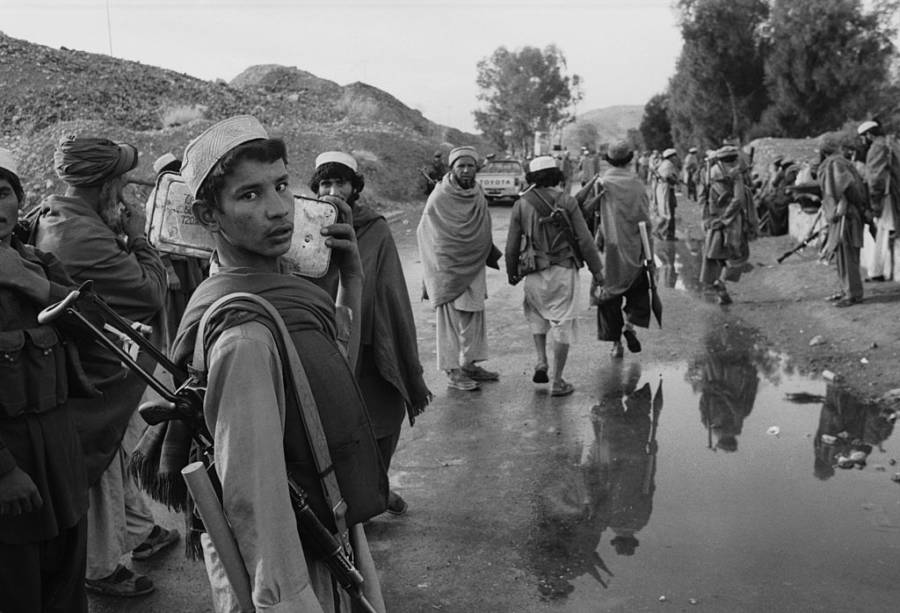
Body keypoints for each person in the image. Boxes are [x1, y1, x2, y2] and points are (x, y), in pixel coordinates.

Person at [177, 115, 386, 612]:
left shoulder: (281, 291)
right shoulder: (246, 334)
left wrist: (351, 281)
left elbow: (329, 400)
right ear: (209, 217)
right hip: (291, 562)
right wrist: (291, 601)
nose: (278, 210)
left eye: (280, 186)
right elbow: (257, 501)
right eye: (249, 195)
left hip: (322, 529)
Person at [33, 135, 178, 597]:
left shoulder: (67, 215)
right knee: (99, 468)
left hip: (108, 372)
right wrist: (138, 235)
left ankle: (139, 531)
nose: (126, 195)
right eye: (121, 184)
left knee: (119, 454)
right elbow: (150, 293)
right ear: (102, 185)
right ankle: (98, 568)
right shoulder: (78, 236)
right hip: (95, 382)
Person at [309, 150, 431, 516]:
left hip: (370, 342)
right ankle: (344, 498)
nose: (333, 190)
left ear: (354, 187)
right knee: (331, 425)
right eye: (325, 183)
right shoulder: (303, 226)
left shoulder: (374, 227)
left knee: (381, 419)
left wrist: (386, 338)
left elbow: (391, 288)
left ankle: (377, 489)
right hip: (324, 341)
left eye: (340, 182)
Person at [0, 149, 90, 612]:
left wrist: (28, 282)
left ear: (18, 199)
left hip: (62, 467)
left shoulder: (41, 264)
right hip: (10, 479)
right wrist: (4, 471)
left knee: (68, 592)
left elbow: (95, 331)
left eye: (2, 192)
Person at [505, 155, 603, 396]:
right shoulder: (567, 201)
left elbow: (511, 246)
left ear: (532, 178)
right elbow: (585, 240)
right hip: (563, 271)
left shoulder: (521, 204)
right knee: (561, 324)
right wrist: (598, 271)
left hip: (534, 271)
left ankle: (541, 360)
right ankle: (558, 381)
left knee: (537, 316)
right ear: (556, 175)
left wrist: (512, 273)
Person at [417, 145, 500, 391]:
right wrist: (437, 264)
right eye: (460, 166)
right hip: (447, 267)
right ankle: (452, 370)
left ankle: (469, 363)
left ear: (476, 169)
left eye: (470, 166)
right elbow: (426, 231)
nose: (465, 170)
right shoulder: (440, 196)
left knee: (474, 314)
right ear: (452, 169)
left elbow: (483, 224)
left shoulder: (477, 192)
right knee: (449, 320)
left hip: (474, 263)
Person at [576, 141, 652, 359]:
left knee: (608, 298)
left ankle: (616, 345)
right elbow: (645, 218)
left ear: (608, 160)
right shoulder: (637, 184)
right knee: (638, 292)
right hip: (634, 245)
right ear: (630, 159)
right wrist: (649, 252)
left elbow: (587, 215)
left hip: (607, 249)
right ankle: (629, 325)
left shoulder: (602, 183)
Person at [149, 152, 207, 347]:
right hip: (175, 267)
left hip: (190, 264)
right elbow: (156, 238)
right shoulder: (158, 199)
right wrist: (169, 271)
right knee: (176, 316)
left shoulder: (181, 194)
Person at [699, 145, 758, 306]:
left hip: (714, 220)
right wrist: (727, 217)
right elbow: (738, 200)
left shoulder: (711, 173)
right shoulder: (736, 175)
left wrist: (709, 219)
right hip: (732, 222)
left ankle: (719, 287)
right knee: (738, 256)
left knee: (718, 254)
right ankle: (722, 282)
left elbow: (703, 198)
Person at [816, 132, 868, 307]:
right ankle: (846, 290)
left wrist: (850, 203)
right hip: (841, 214)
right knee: (842, 255)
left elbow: (848, 188)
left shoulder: (835, 163)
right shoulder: (838, 162)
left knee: (848, 255)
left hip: (846, 214)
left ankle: (853, 294)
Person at [858, 120, 899, 282]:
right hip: (894, 194)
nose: (863, 141)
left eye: (863, 137)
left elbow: (876, 178)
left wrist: (874, 201)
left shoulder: (877, 148)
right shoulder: (892, 142)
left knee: (879, 231)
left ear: (869, 135)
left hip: (885, 197)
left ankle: (876, 272)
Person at [653, 148, 679, 240]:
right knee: (668, 211)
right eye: (674, 156)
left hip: (664, 189)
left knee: (668, 210)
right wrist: (676, 181)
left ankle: (666, 233)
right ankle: (665, 233)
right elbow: (669, 178)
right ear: (671, 157)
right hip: (666, 189)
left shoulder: (665, 164)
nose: (676, 157)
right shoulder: (668, 165)